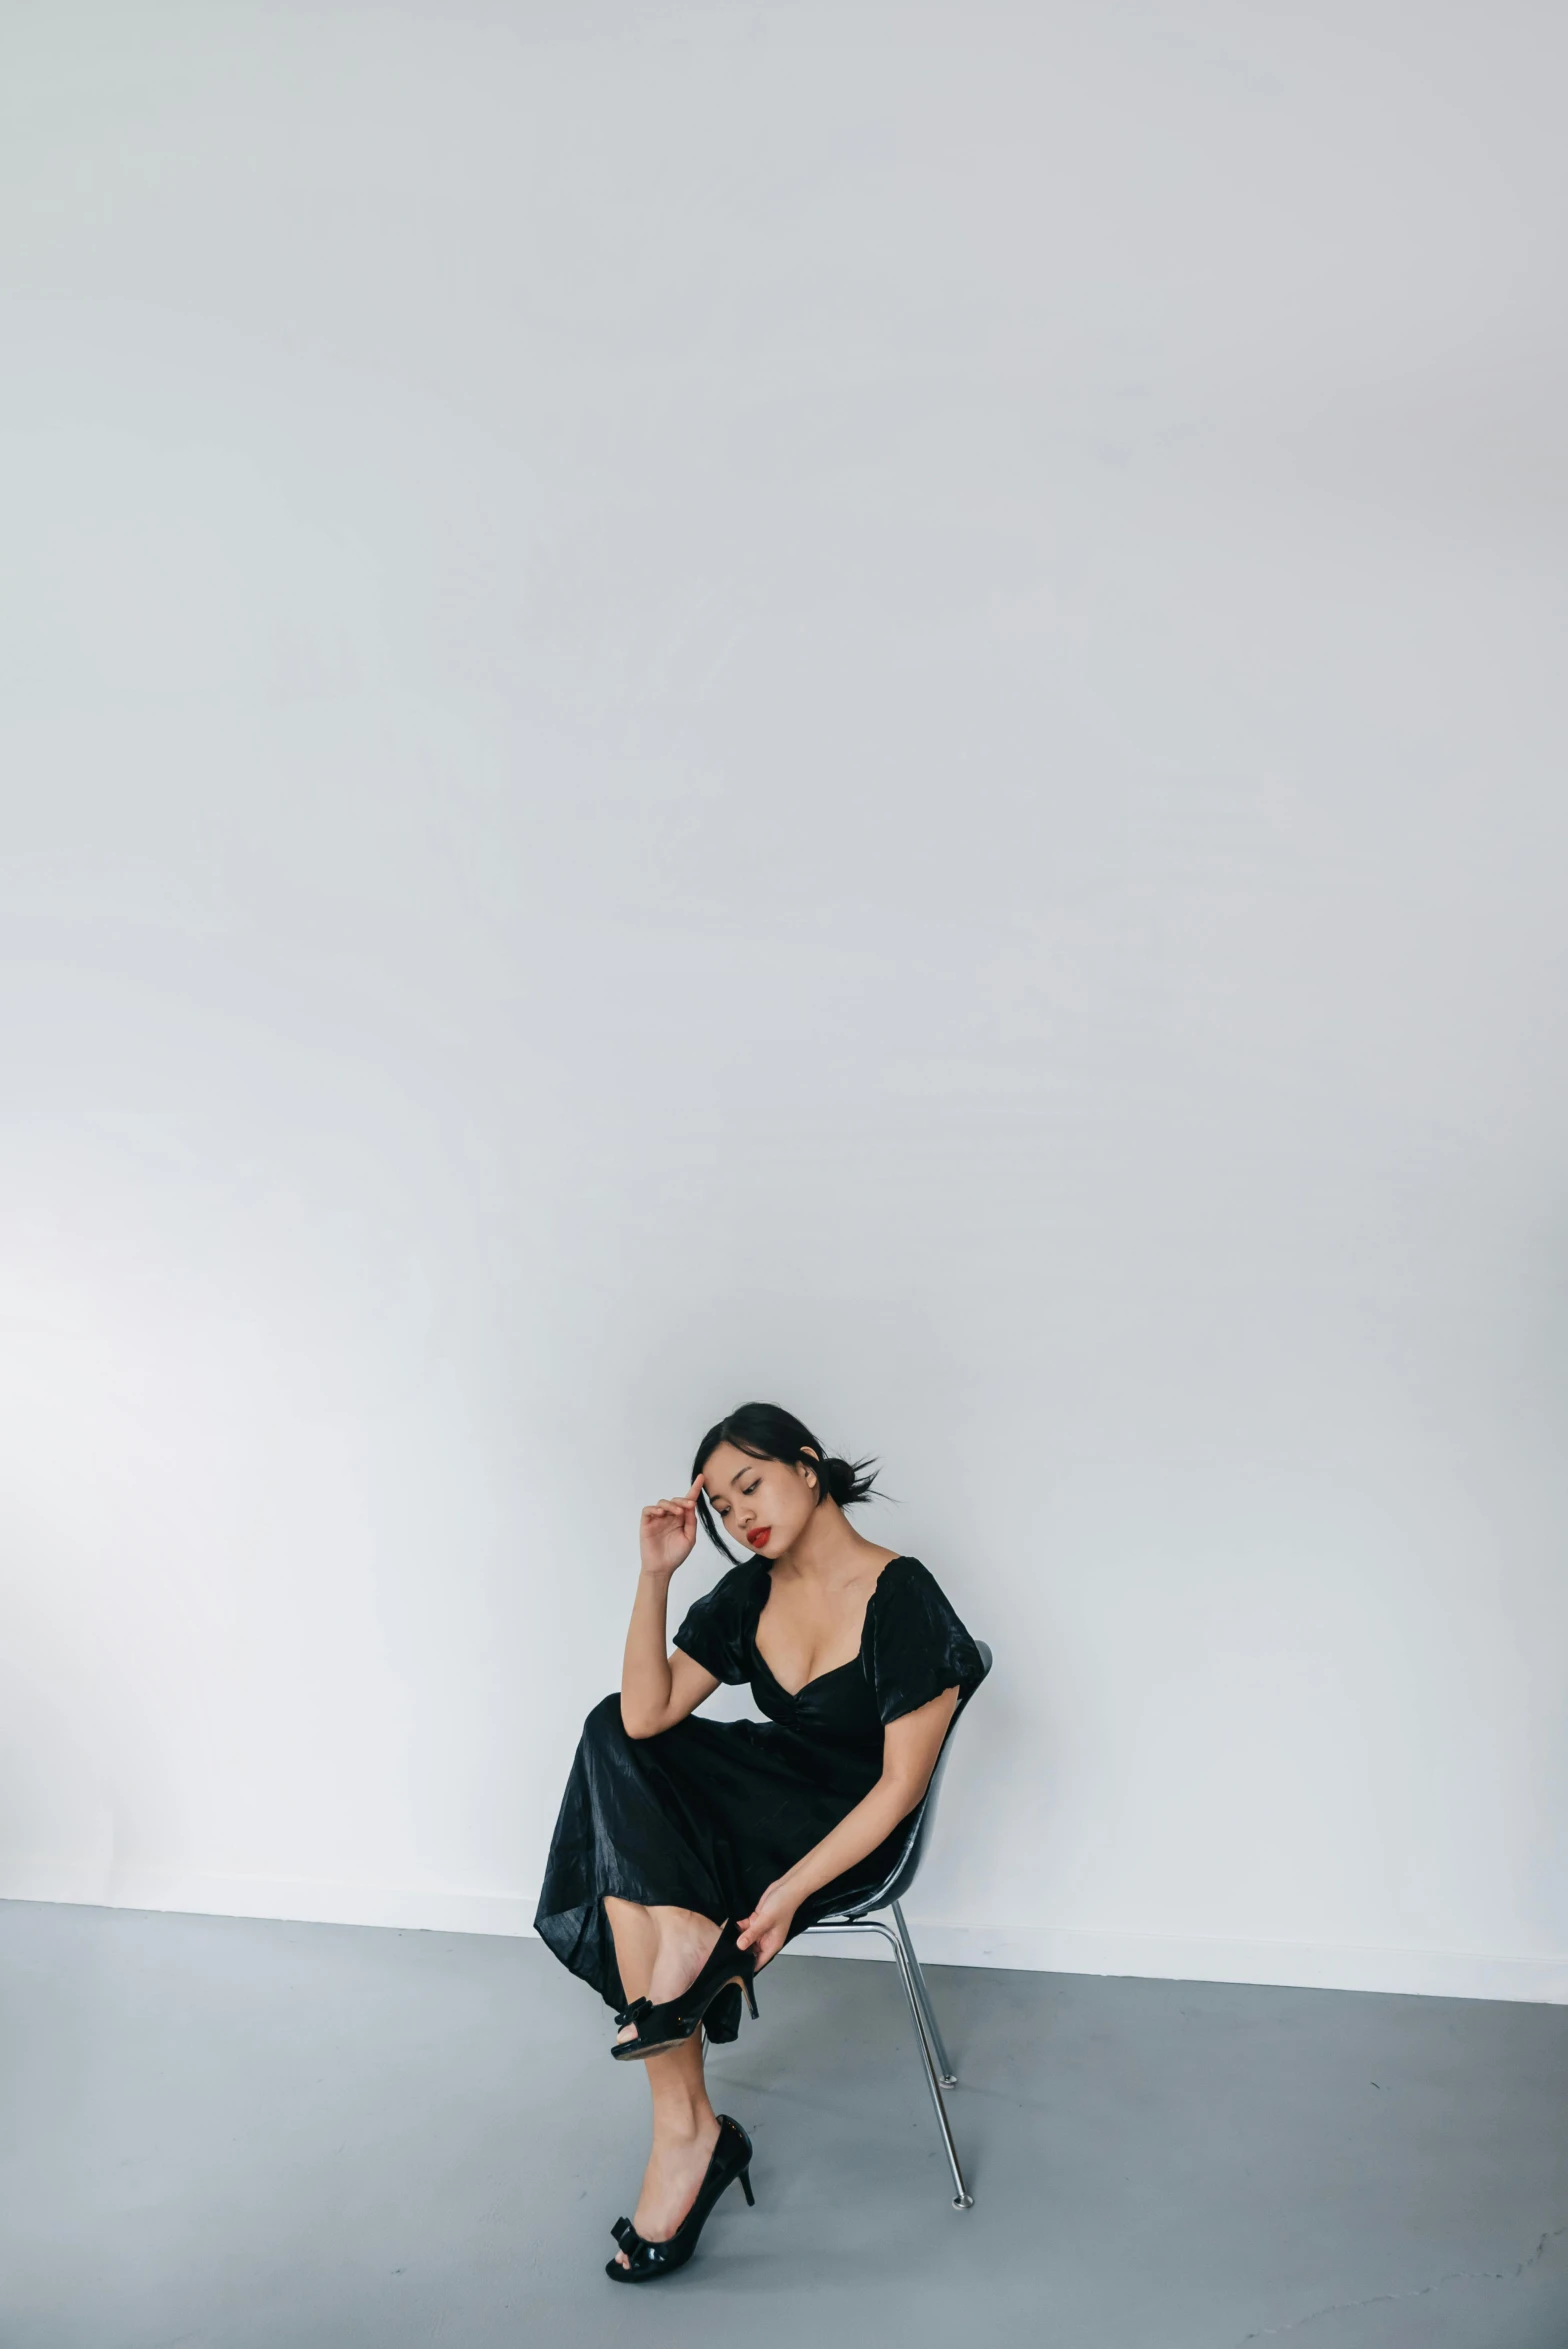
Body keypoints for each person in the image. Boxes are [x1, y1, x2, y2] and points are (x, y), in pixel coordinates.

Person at [534, 1400, 986, 2282]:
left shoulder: (905, 1594)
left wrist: (784, 1894)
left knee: (647, 1872)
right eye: (724, 1509)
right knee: (610, 1737)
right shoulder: (750, 1591)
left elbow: (897, 1790)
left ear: (808, 1467)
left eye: (753, 1485)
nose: (743, 1517)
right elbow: (645, 1713)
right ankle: (689, 2120)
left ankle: (688, 2134)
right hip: (763, 1789)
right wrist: (655, 1575)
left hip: (844, 1829)